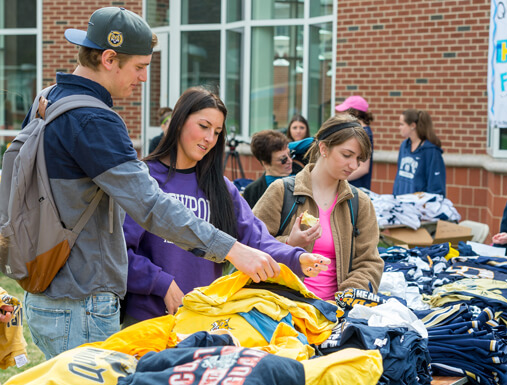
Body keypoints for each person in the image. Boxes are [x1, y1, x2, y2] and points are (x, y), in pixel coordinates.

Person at [21, 7, 327, 360]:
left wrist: (290, 256)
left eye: (218, 131)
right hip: (85, 302)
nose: (144, 79)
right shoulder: (93, 120)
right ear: (108, 59)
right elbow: (151, 206)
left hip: (53, 291)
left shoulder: (50, 100)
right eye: (139, 67)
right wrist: (229, 250)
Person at [122, 88, 329, 325]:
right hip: (147, 321)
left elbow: (256, 239)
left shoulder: (221, 188)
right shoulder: (145, 179)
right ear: (179, 122)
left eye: (217, 132)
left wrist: (297, 258)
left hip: (204, 320)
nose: (210, 138)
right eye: (203, 126)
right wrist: (162, 283)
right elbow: (119, 252)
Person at [253, 114, 384, 301]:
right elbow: (250, 246)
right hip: (281, 312)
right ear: (323, 148)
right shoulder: (281, 191)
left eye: (359, 159)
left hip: (335, 318)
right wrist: (290, 244)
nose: (354, 165)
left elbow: (369, 262)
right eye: (347, 155)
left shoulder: (360, 202)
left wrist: (344, 300)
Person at [394, 109, 446, 196]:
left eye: (402, 124)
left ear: (413, 125)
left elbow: (436, 186)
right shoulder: (404, 146)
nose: (399, 127)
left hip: (418, 207)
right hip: (401, 203)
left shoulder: (431, 151)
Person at [243, 130, 293, 208]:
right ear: (266, 164)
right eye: (283, 159)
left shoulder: (300, 178)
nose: (290, 161)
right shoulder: (252, 191)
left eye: (290, 154)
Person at [335, 95, 374, 190]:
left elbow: (363, 168)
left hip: (357, 188)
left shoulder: (364, 133)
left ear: (355, 112)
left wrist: (339, 180)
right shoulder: (359, 131)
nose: (343, 114)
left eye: (346, 111)